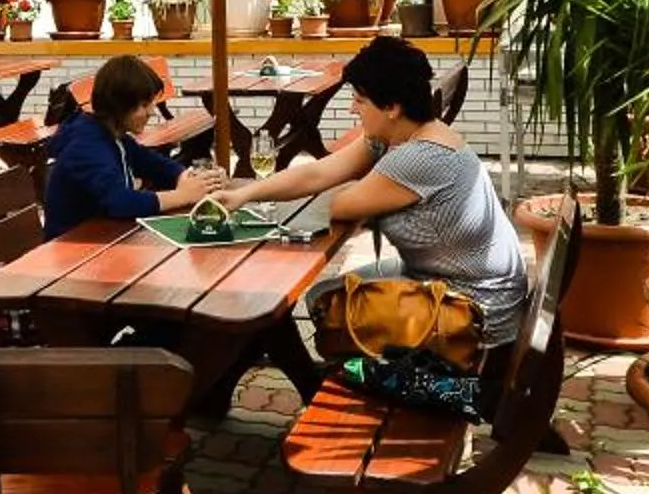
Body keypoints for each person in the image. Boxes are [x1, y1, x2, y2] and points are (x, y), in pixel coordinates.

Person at [231, 36, 527, 347]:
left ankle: (365, 372)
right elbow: (319, 173)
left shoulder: (419, 157)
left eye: (359, 100)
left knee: (328, 305)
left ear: (392, 107)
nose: (351, 109)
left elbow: (336, 206)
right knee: (325, 294)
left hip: (475, 312)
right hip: (449, 282)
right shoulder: (408, 133)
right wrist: (246, 193)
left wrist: (357, 187)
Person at [42, 55, 228, 237]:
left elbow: (151, 163)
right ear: (119, 104)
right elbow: (120, 202)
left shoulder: (113, 134)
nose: (151, 112)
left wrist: (191, 178)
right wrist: (182, 196)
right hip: (72, 245)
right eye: (144, 105)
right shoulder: (87, 146)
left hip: (101, 235)